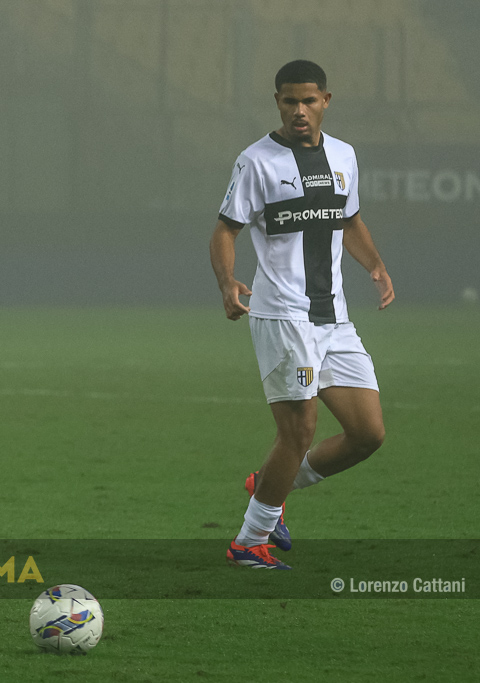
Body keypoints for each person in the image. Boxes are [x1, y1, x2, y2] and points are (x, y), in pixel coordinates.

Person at [209, 60, 394, 569]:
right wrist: (228, 282)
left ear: (325, 101)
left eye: (308, 101)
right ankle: (249, 542)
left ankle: (272, 483)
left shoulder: (343, 156)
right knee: (299, 429)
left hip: (333, 318)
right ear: (278, 103)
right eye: (289, 101)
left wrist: (375, 264)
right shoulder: (257, 161)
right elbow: (226, 230)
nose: (299, 111)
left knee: (367, 434)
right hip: (283, 316)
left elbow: (348, 218)